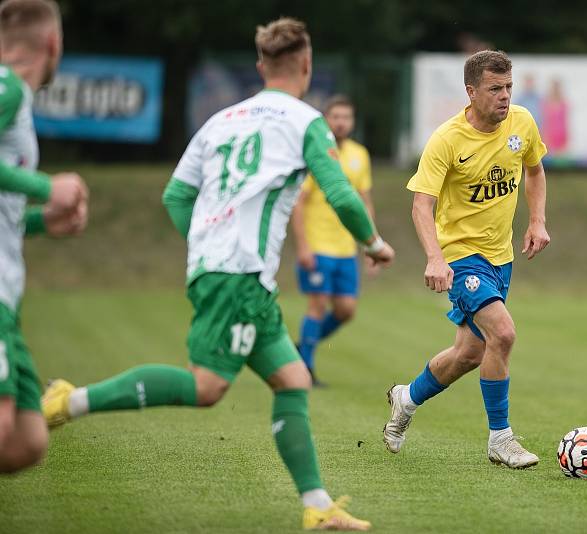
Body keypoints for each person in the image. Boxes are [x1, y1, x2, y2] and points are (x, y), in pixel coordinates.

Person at [42, 17, 393, 530]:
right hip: (238, 275)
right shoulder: (305, 121)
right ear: (307, 65)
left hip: (234, 272)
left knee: (293, 378)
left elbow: (175, 194)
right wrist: (375, 244)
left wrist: (206, 246)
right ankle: (68, 400)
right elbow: (340, 192)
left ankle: (318, 508)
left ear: (259, 66)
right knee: (207, 386)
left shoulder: (220, 120)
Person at [382, 50, 550, 469]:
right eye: (495, 88)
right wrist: (436, 259)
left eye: (509, 86)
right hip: (461, 257)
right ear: (471, 91)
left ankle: (406, 398)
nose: (505, 96)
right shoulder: (447, 139)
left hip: (501, 257)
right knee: (504, 335)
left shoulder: (523, 123)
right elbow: (421, 205)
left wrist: (538, 221)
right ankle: (501, 439)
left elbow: (534, 170)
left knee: (470, 354)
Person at [0, 0, 88, 474]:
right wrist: (46, 187)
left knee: (25, 439)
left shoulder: (15, 98)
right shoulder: (7, 86)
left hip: (7, 297)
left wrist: (39, 220)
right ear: (53, 44)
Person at [292, 94, 377, 386]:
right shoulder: (317, 152)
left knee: (345, 310)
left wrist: (371, 243)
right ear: (326, 120)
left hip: (345, 248)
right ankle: (305, 368)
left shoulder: (359, 154)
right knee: (316, 305)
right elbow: (298, 202)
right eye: (336, 117)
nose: (341, 123)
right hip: (318, 245)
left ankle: (303, 346)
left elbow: (365, 202)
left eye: (347, 117)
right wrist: (302, 245)